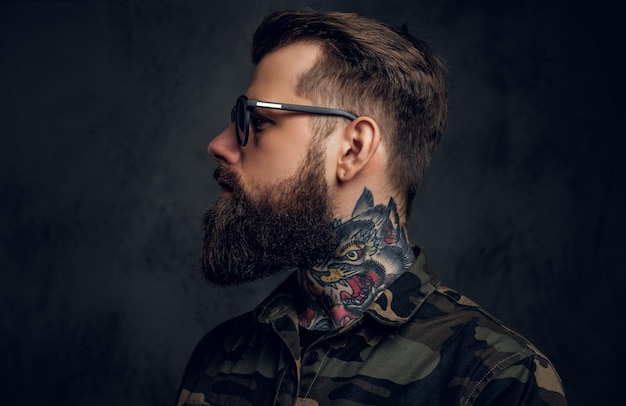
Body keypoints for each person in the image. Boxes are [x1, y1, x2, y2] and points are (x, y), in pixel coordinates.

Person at [175, 9, 567, 406]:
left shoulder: (495, 381)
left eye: (256, 121)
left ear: (353, 149)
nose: (220, 145)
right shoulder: (219, 359)